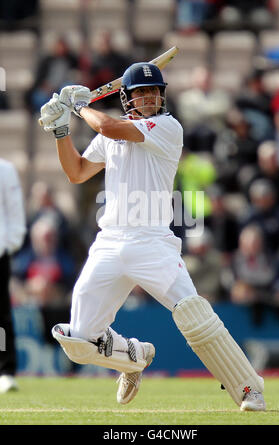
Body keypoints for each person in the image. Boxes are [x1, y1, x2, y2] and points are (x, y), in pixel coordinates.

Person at [39, 63, 266, 411]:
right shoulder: (109, 136)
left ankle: (250, 389)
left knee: (194, 314)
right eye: (142, 93)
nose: (150, 98)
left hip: (152, 242)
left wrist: (79, 106)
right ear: (128, 98)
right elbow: (77, 172)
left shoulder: (167, 127)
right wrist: (60, 131)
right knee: (79, 340)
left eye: (154, 92)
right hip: (110, 242)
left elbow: (110, 125)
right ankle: (134, 357)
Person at [0, 158, 26, 393]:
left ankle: (5, 371)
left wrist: (9, 244)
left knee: (1, 316)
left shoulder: (5, 169)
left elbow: (14, 208)